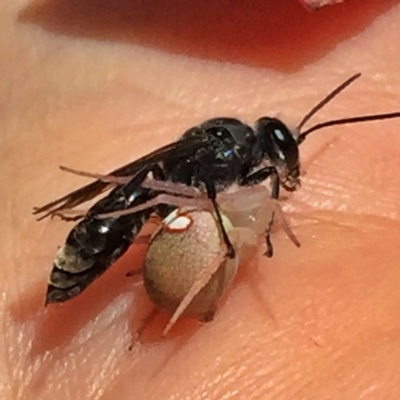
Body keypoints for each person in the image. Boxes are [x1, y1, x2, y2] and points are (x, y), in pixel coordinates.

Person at [2, 1, 400, 398]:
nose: (281, 169)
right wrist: (227, 242)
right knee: (142, 196)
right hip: (128, 208)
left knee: (146, 190)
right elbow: (197, 186)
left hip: (144, 195)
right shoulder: (231, 154)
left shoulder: (238, 155)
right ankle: (82, 260)